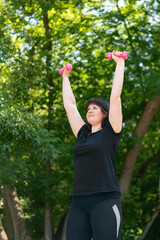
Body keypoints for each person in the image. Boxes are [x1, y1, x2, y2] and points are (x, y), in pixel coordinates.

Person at [62, 51, 125, 240]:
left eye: (94, 108)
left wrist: (119, 64)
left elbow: (115, 98)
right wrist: (65, 77)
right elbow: (70, 106)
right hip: (79, 202)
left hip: (105, 199)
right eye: (88, 108)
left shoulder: (110, 133)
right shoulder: (83, 134)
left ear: (104, 113)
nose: (89, 111)